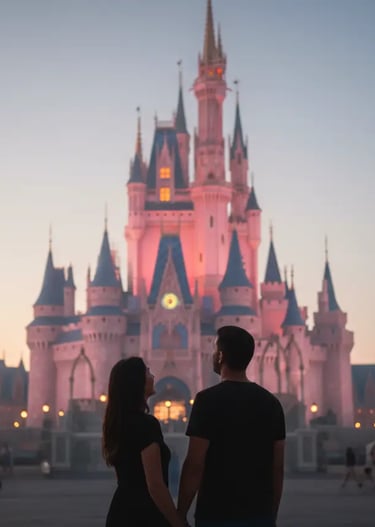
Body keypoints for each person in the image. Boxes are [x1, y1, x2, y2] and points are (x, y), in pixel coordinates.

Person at [178, 326, 285, 527]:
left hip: (215, 514)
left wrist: (180, 513)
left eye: (213, 350)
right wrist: (271, 515)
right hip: (258, 514)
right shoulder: (271, 404)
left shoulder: (206, 401)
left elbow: (194, 463)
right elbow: (277, 467)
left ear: (220, 356)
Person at [103, 357, 185, 527]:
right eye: (147, 372)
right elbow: (155, 484)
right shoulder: (146, 425)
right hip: (144, 515)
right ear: (136, 382)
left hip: (121, 511)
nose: (153, 376)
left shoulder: (117, 423)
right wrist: (179, 523)